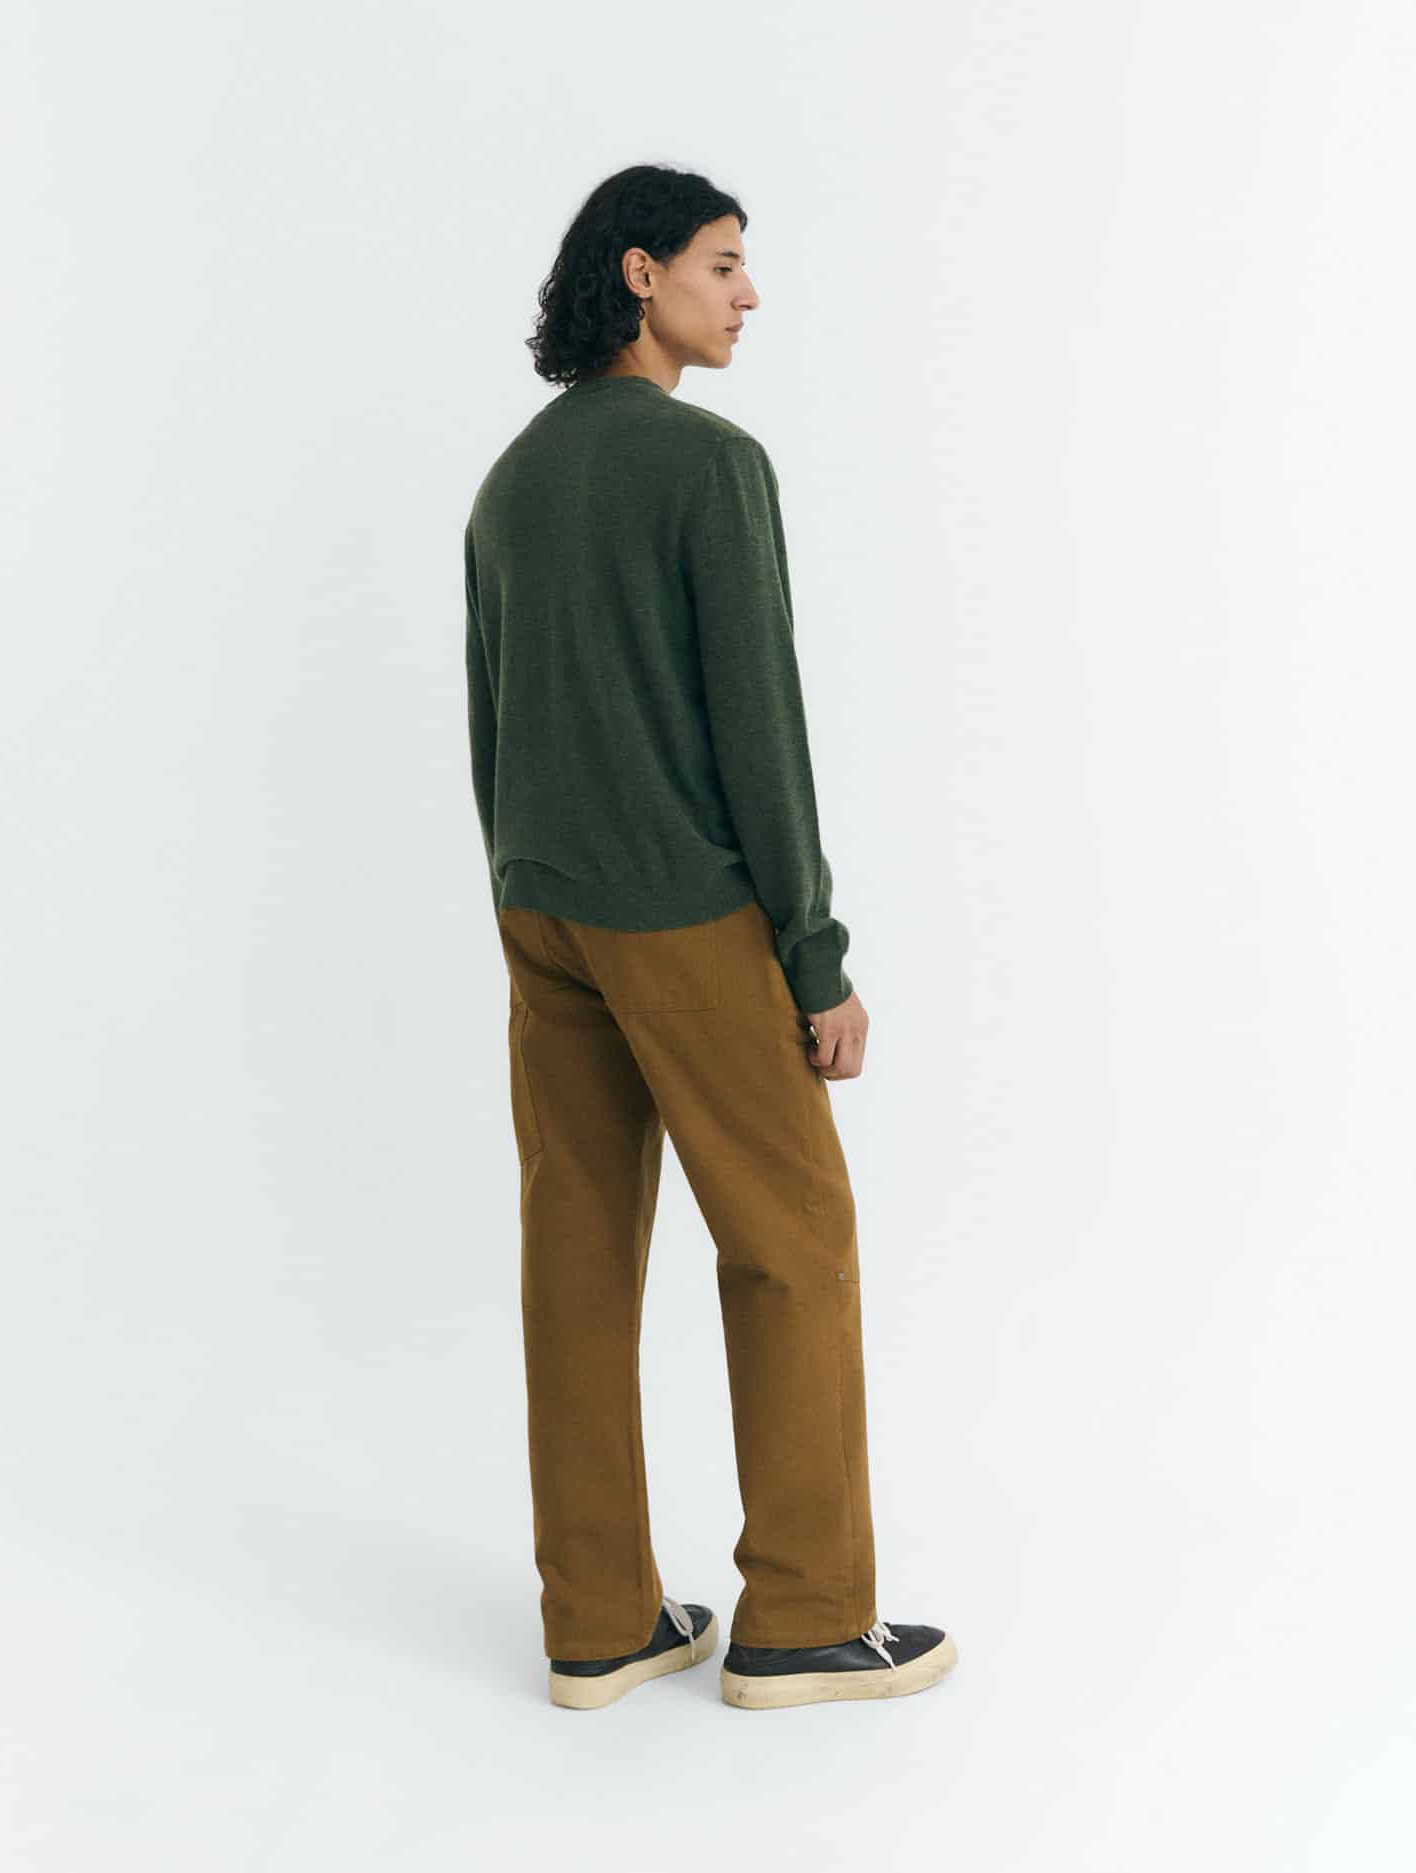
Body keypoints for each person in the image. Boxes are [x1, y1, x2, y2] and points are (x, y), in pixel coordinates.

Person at [463, 162, 956, 1712]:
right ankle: (804, 1613)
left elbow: (491, 722)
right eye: (723, 262)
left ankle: (597, 1616)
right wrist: (815, 954)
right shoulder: (707, 463)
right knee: (793, 1241)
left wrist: (526, 892)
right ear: (641, 273)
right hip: (682, 912)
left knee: (576, 1254)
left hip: (543, 906)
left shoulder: (511, 481)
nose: (748, 293)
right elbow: (762, 728)